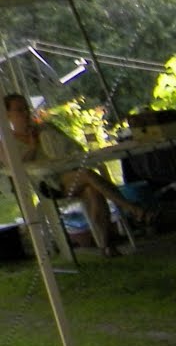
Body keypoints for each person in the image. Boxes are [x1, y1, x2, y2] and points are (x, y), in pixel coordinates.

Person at [3, 94, 150, 255]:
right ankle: (131, 208)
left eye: (26, 108)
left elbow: (74, 149)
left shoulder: (46, 129)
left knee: (91, 190)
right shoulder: (7, 142)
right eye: (19, 110)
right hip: (48, 185)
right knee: (87, 175)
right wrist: (32, 147)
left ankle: (106, 246)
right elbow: (13, 165)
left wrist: (49, 136)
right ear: (7, 115)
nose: (25, 113)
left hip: (69, 175)